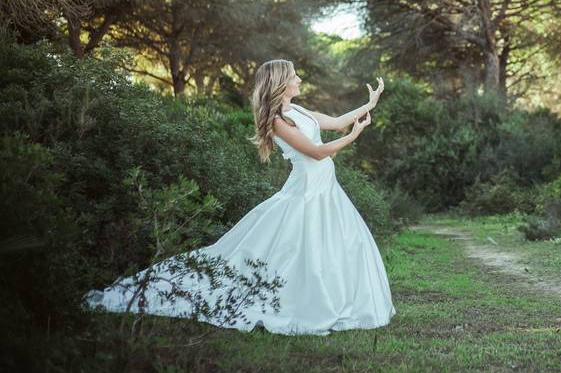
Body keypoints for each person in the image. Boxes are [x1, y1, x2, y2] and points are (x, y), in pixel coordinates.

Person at [86, 59, 395, 334]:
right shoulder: (277, 121)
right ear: (281, 83)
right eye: (295, 76)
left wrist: (371, 103)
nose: (299, 79)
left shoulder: (298, 110)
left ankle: (334, 296)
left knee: (334, 245)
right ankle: (300, 300)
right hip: (307, 189)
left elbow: (338, 121)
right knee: (298, 248)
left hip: (325, 188)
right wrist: (353, 136)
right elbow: (315, 152)